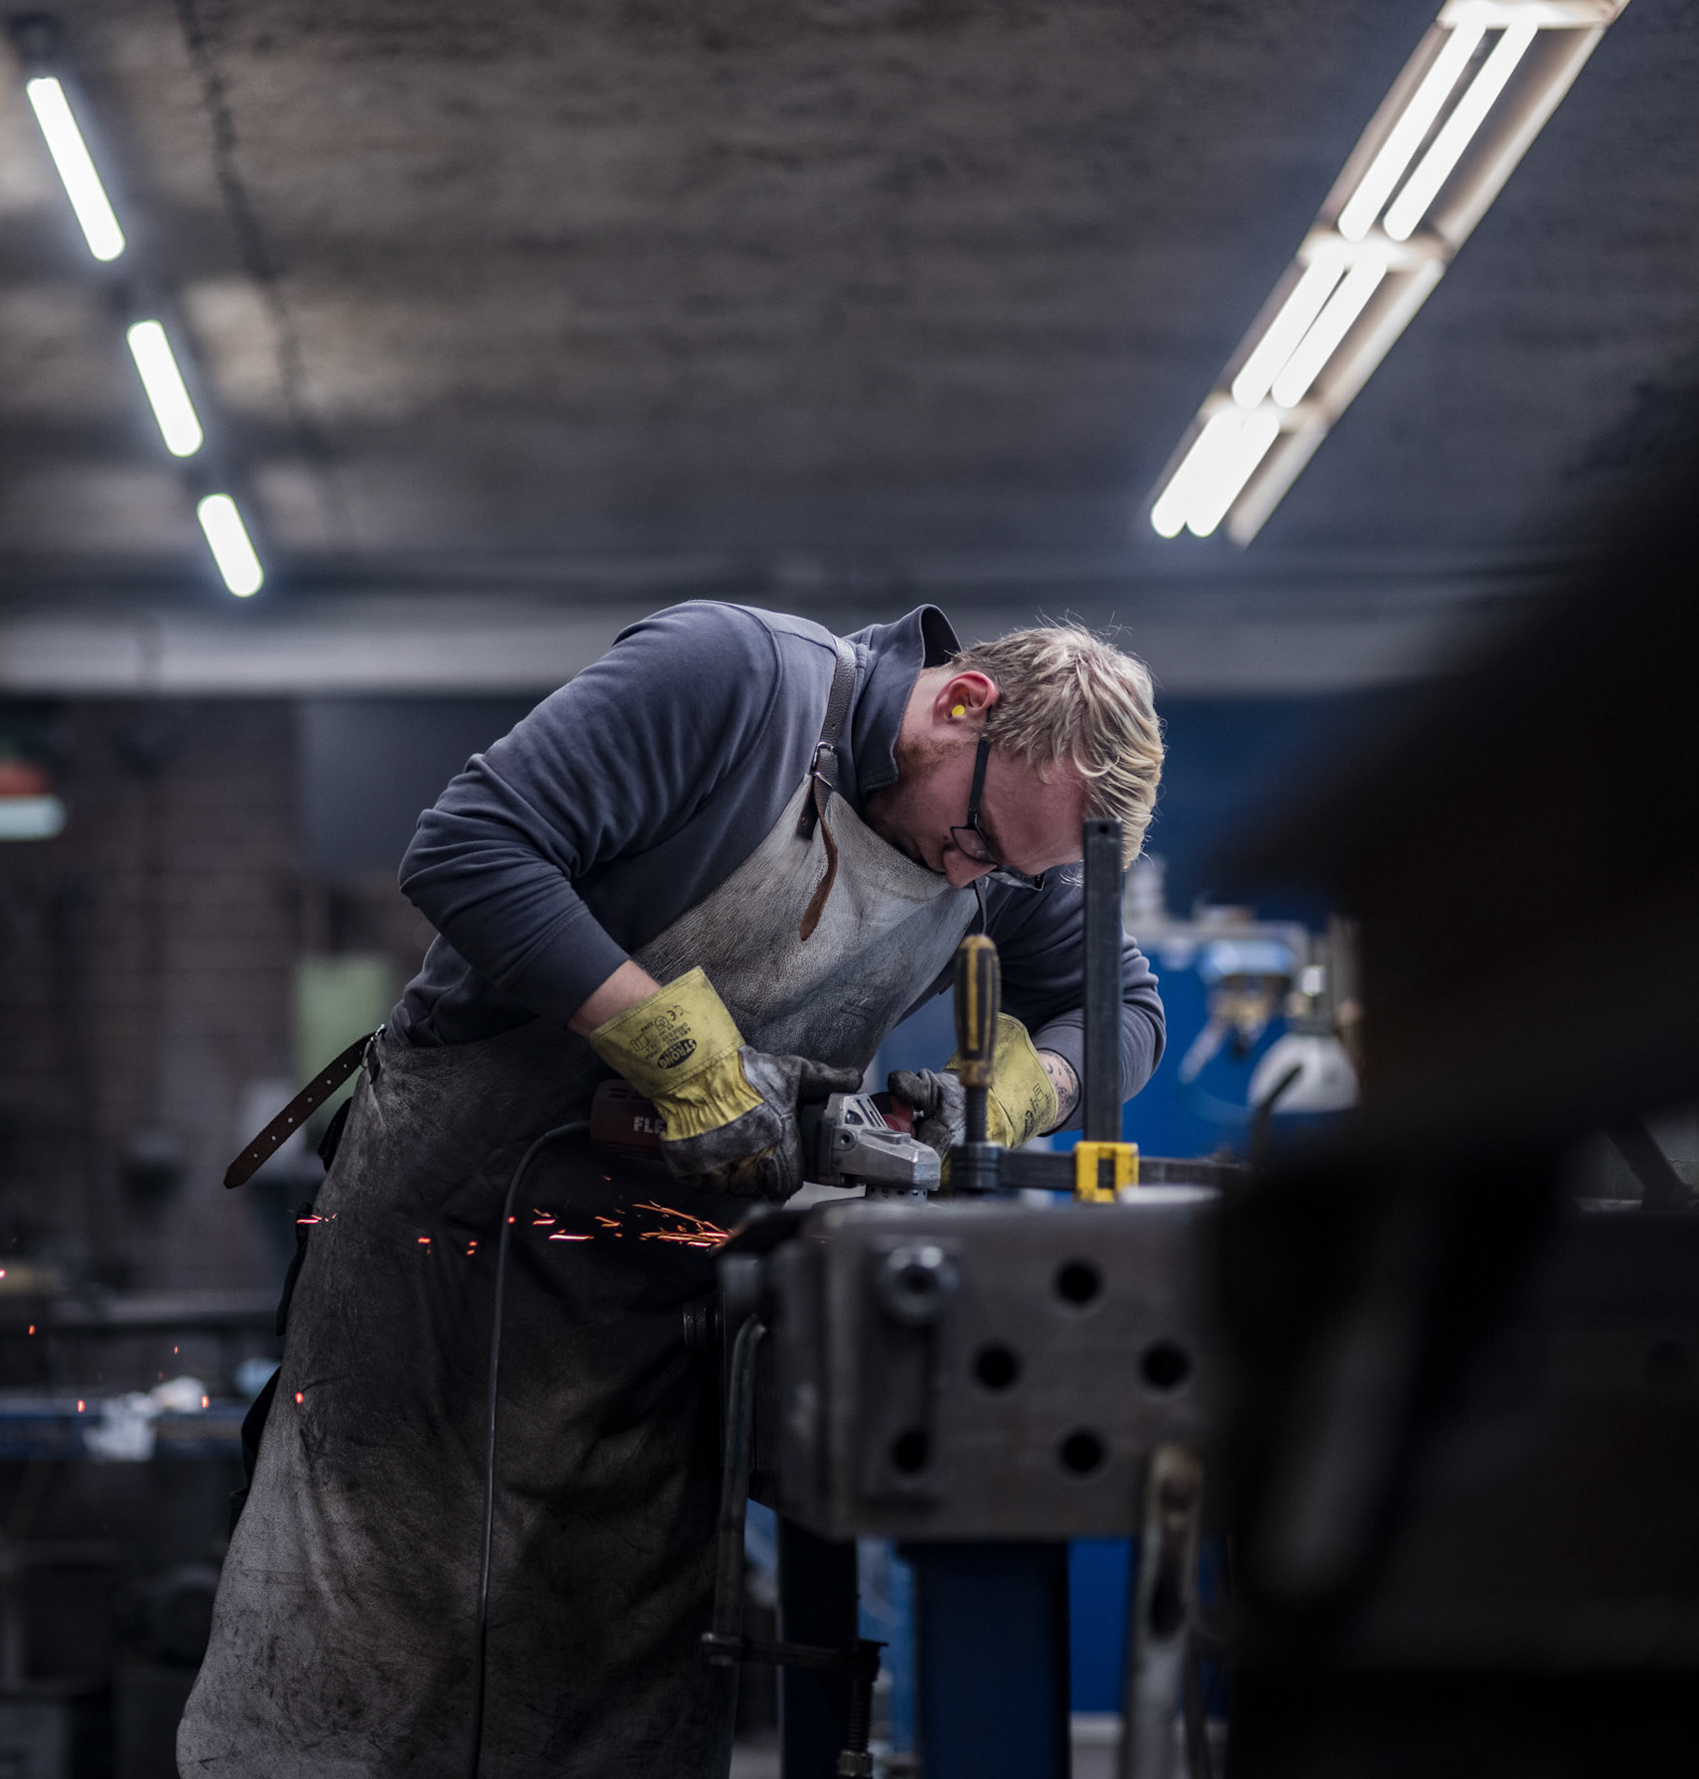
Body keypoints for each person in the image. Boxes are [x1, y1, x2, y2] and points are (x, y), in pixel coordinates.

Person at [181, 601, 1166, 1778]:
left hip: (662, 1305)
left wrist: (1025, 1090)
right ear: (962, 705)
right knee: (357, 1662)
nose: (977, 877)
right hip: (450, 1256)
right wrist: (676, 1049)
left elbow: (1123, 1008)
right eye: (978, 841)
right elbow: (466, 848)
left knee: (614, 1685)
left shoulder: (1003, 830)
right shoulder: (735, 681)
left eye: (1005, 867)